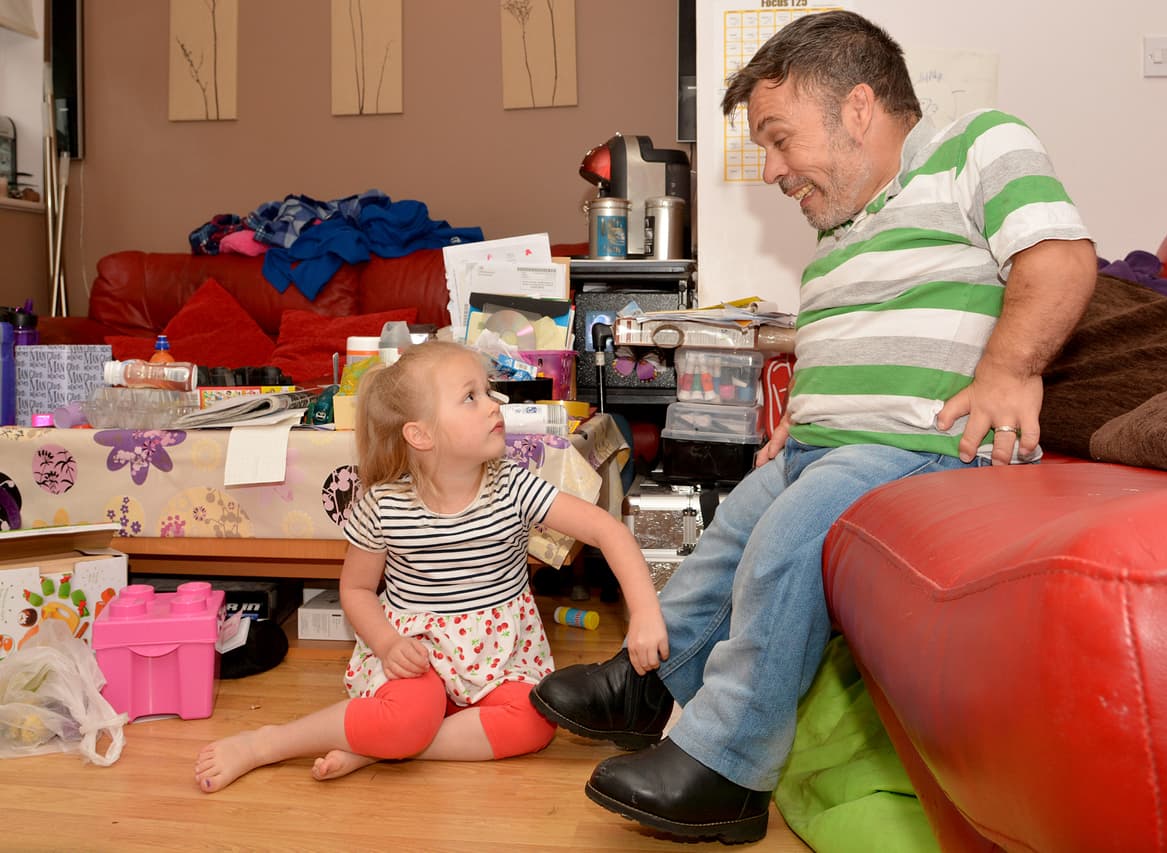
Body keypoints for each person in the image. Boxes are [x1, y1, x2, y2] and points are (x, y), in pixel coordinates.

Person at [528, 10, 1097, 845]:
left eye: (780, 138)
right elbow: (848, 347)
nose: (772, 169)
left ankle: (726, 766)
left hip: (929, 447)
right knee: (730, 533)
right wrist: (797, 424)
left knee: (789, 536)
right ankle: (647, 682)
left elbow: (1060, 256)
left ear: (858, 107)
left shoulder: (980, 145)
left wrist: (1009, 371)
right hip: (835, 447)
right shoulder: (838, 234)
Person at [195, 340, 668, 793]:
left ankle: (386, 747)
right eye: (470, 397)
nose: (493, 404)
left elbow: (609, 531)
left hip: (500, 656)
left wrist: (645, 612)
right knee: (405, 715)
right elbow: (357, 590)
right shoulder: (383, 506)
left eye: (488, 391)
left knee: (535, 722)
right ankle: (268, 743)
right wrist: (387, 643)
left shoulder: (513, 487)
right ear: (420, 435)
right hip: (417, 654)